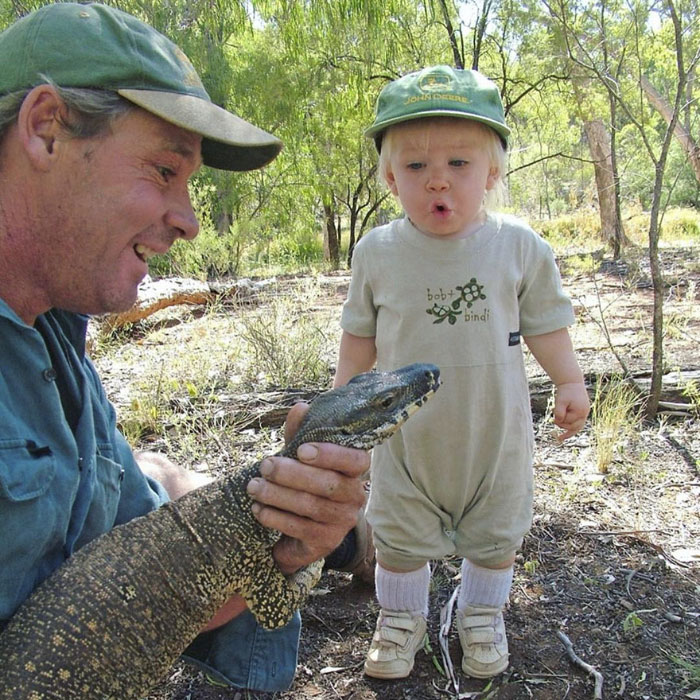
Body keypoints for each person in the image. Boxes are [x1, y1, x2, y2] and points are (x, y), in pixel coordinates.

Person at [0, 3, 372, 693]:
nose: (191, 220)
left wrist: (295, 546)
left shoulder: (53, 330)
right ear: (46, 129)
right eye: (165, 170)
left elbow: (162, 596)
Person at [334, 65, 590, 681]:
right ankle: (399, 622)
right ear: (391, 176)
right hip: (407, 439)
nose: (437, 181)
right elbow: (360, 334)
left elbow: (546, 323)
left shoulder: (519, 247)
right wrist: (342, 400)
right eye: (416, 167)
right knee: (397, 538)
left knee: (496, 535)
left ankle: (482, 614)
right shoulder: (378, 252)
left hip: (493, 435)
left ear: (493, 173)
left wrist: (570, 380)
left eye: (459, 164)